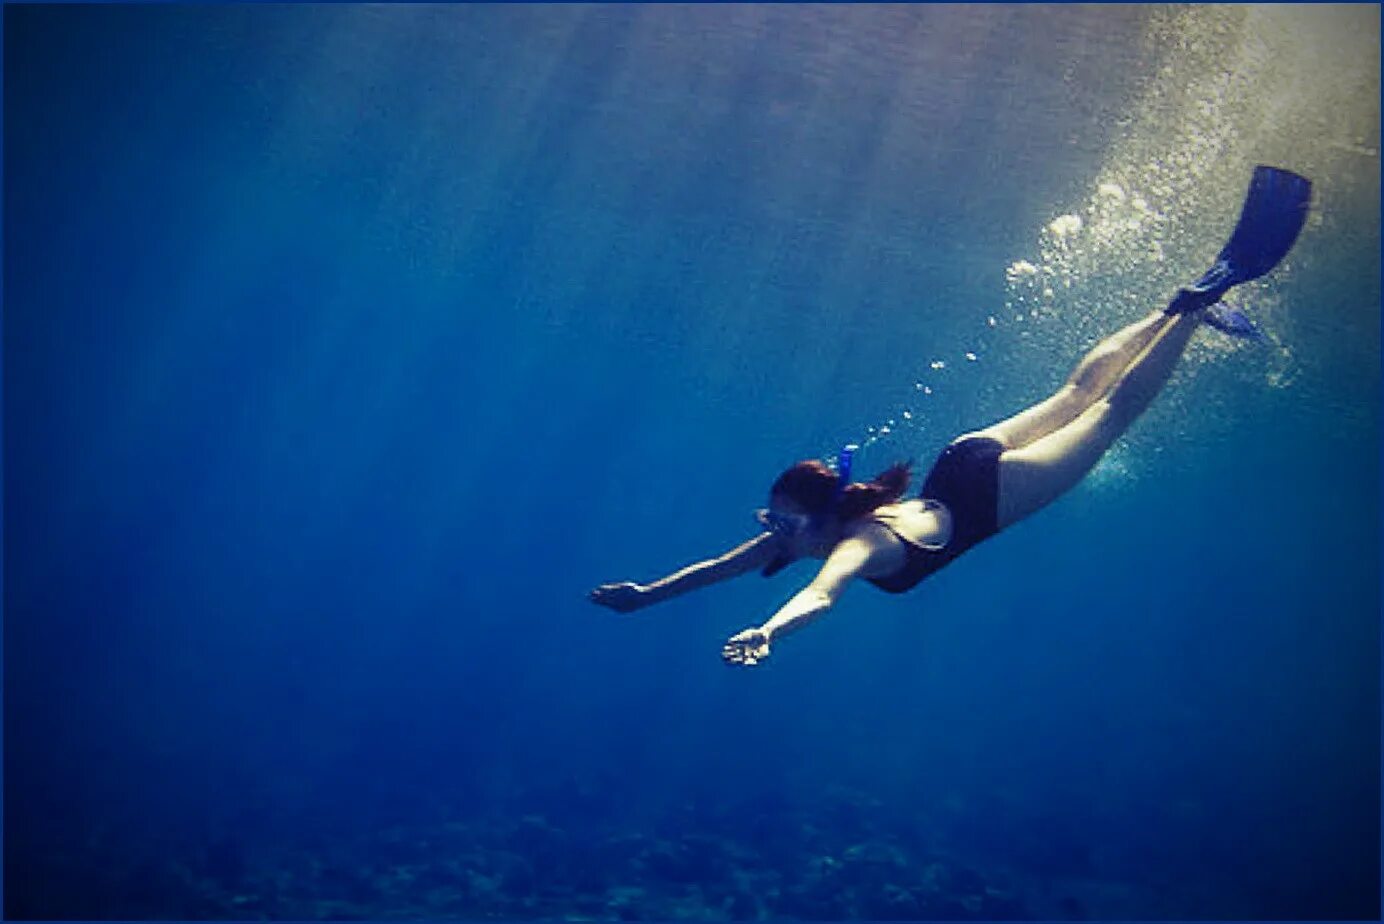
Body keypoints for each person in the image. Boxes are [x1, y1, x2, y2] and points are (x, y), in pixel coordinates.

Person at [589, 166, 1312, 667]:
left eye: (780, 521)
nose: (768, 531)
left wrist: (770, 632)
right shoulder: (802, 538)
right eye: (772, 520)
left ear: (821, 518)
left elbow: (821, 595)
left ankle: (1191, 310)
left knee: (1113, 410)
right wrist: (646, 597)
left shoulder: (855, 547)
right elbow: (717, 568)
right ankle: (1169, 304)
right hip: (958, 459)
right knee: (1072, 392)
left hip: (986, 494)